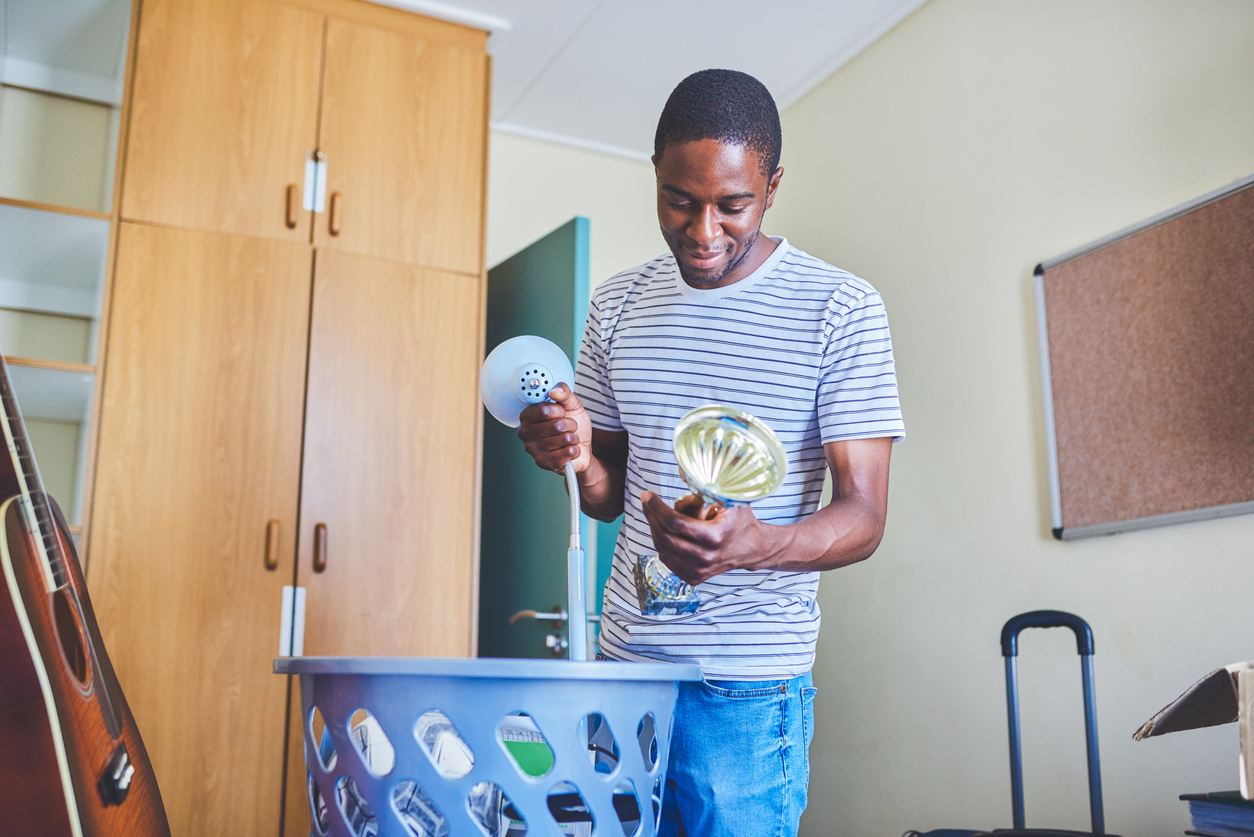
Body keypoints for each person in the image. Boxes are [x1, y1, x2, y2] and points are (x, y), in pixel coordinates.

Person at [516, 69, 905, 836]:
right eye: (679, 200)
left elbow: (864, 516)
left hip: (746, 693)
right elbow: (607, 493)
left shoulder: (840, 308)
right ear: (656, 173)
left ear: (773, 185)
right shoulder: (618, 303)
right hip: (625, 676)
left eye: (733, 206)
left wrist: (757, 545)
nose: (702, 231)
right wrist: (574, 455)